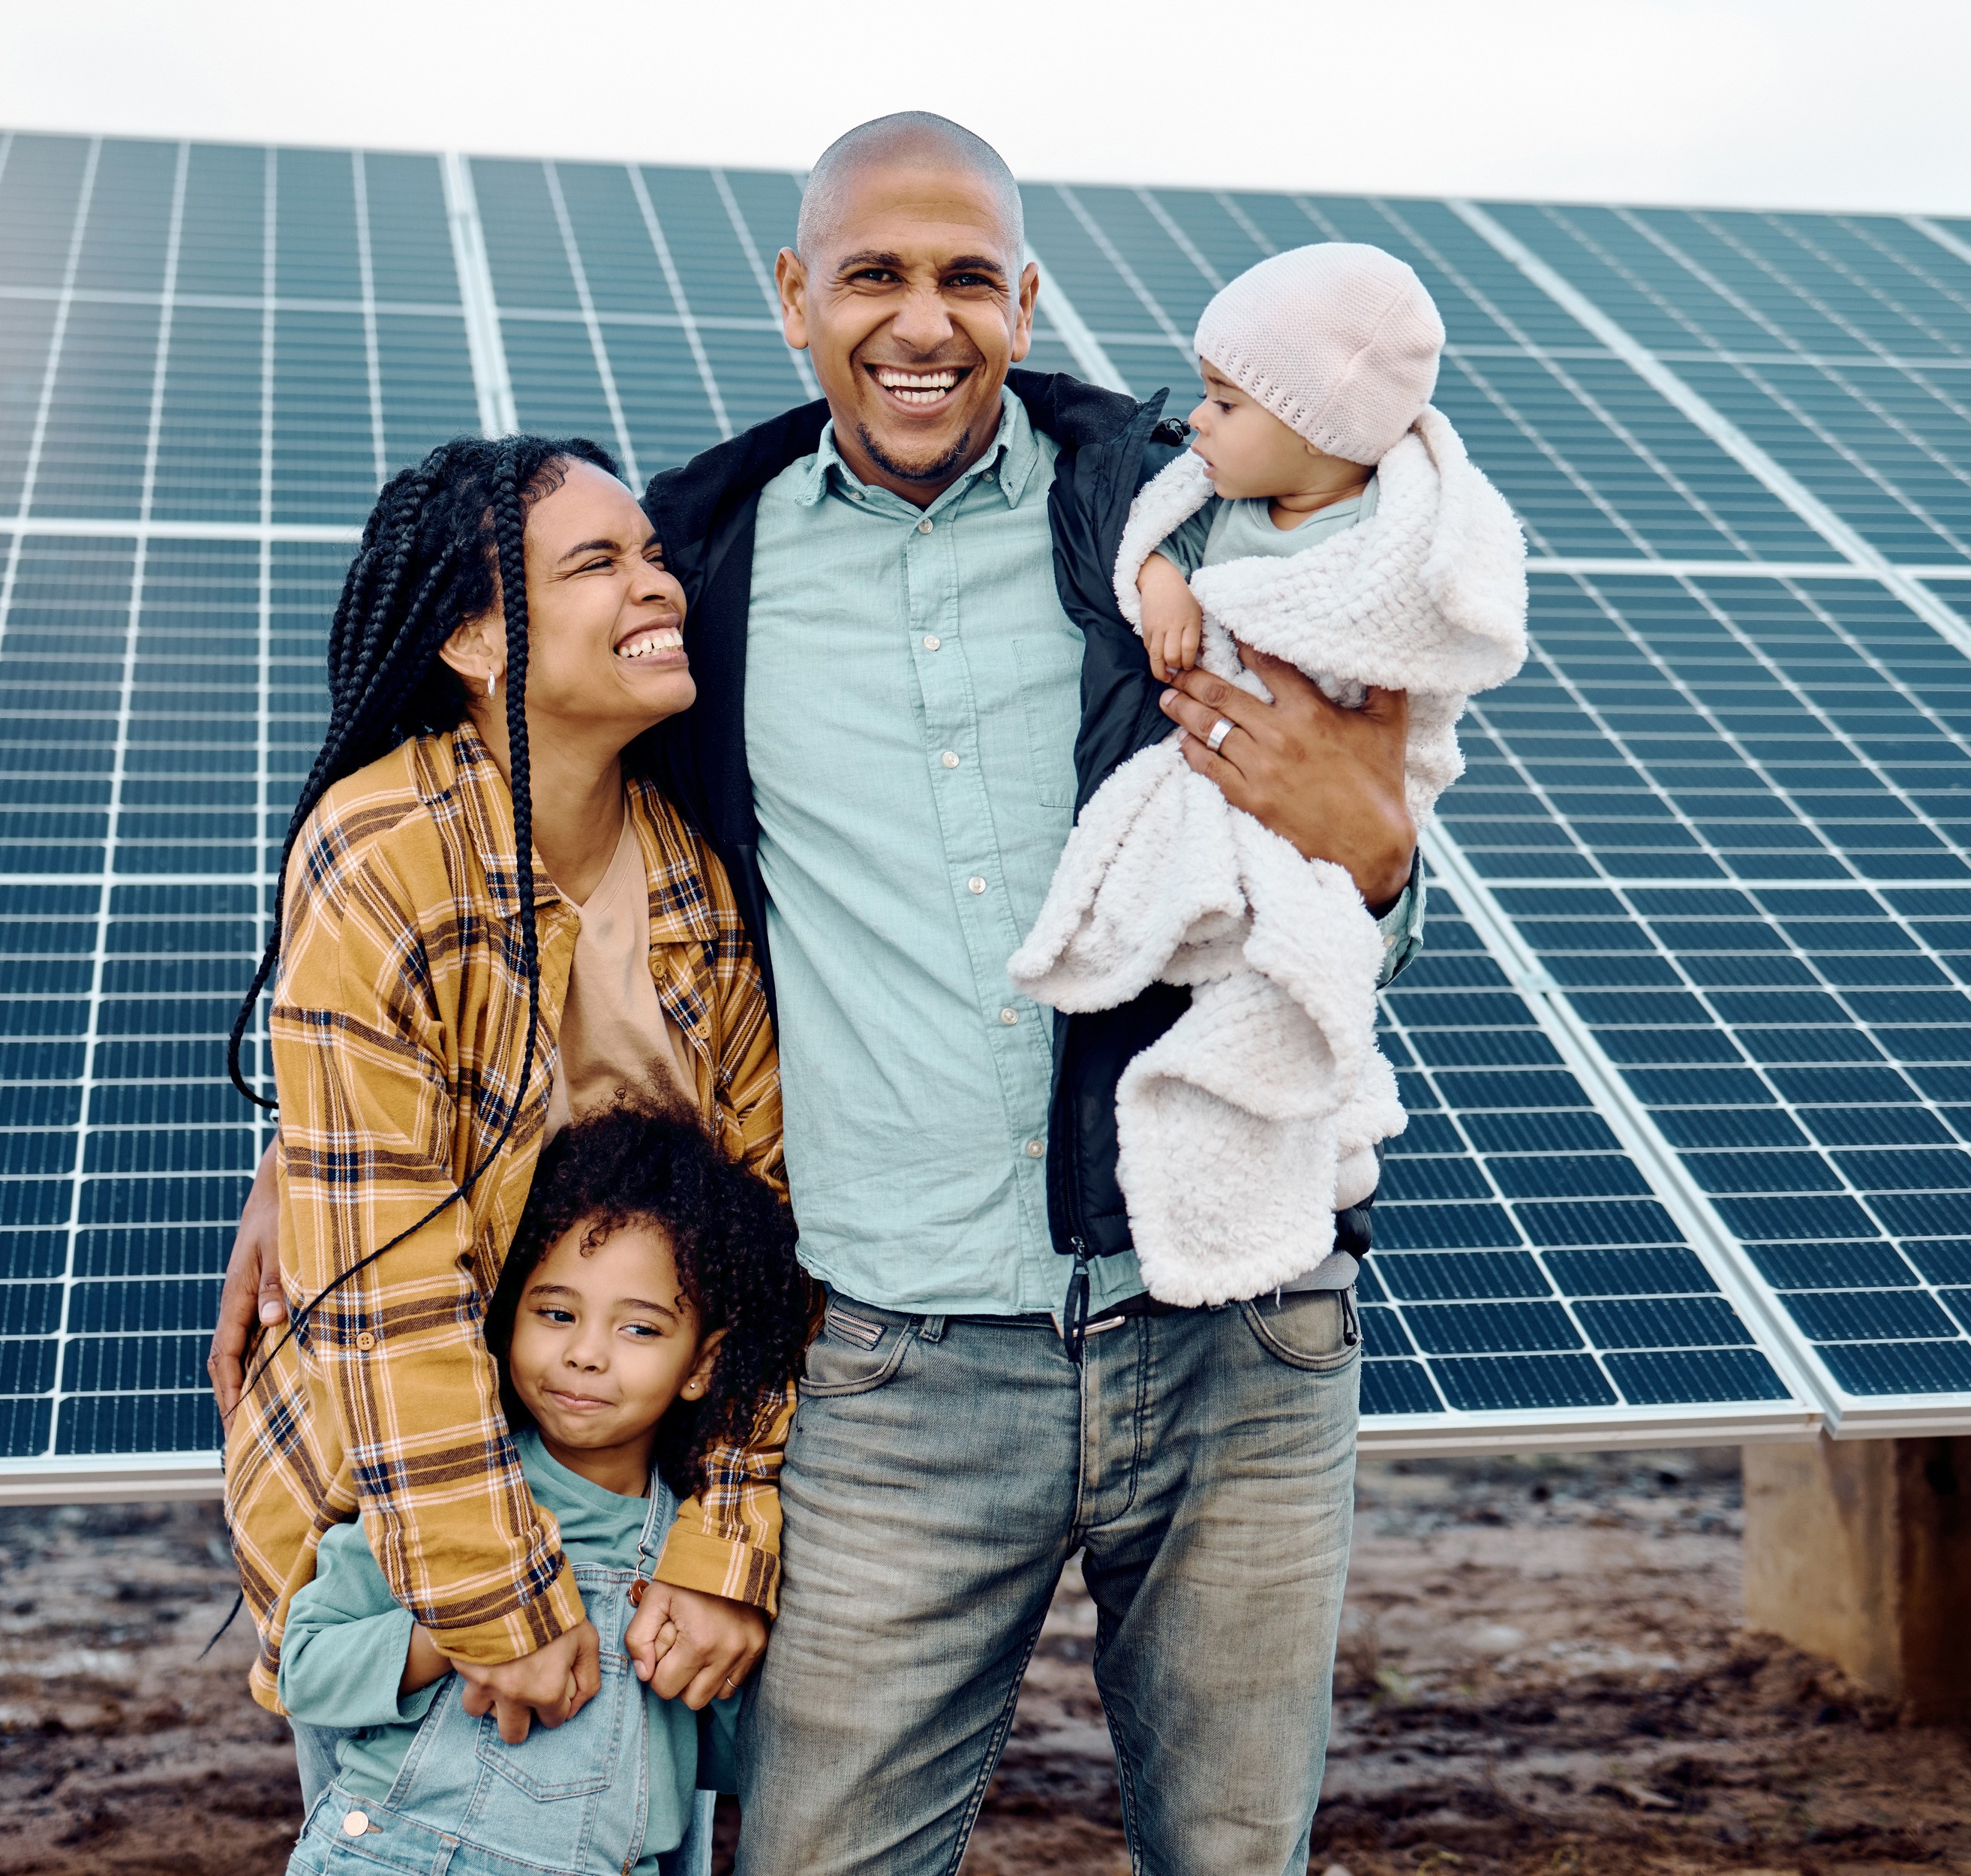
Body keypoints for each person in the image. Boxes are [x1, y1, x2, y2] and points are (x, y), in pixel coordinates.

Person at [221, 111, 1426, 1873]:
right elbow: (510, 898)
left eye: (965, 278)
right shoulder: (703, 564)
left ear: (1025, 297)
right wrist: (316, 1150)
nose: (920, 322)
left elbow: (1347, 849)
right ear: (796, 296)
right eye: (872, 274)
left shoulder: (1183, 522)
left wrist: (1384, 867)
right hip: (896, 1378)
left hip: (1233, 1335)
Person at [209, 436, 789, 1827]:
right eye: (598, 563)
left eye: (654, 556)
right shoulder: (387, 853)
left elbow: (768, 1244)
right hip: (400, 1535)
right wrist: (489, 1603)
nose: (658, 587)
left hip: (629, 1525)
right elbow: (386, 1292)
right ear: (475, 636)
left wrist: (724, 1542)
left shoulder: (697, 882)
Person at [1009, 242, 1528, 1309]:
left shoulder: (1390, 536)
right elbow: (1150, 543)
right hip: (1209, 772)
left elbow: (1416, 662)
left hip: (1316, 792)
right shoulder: (1210, 502)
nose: (1195, 424)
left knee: (1303, 973)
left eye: (1225, 403)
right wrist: (1160, 585)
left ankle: (1304, 1139)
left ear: (1318, 431)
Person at [279, 1102, 807, 1876]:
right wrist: (453, 1633)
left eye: (639, 1329)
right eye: (556, 1312)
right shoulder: (442, 1502)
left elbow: (724, 1761)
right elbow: (306, 1667)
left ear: (701, 1365)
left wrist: (712, 1682)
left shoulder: (692, 1566)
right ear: (506, 1314)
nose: (585, 1354)